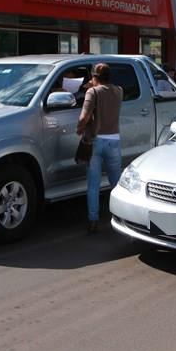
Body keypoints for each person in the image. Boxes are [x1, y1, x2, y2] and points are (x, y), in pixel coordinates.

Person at [77, 63, 123, 233]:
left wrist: (79, 129)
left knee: (93, 184)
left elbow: (84, 117)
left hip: (96, 141)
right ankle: (121, 217)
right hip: (114, 140)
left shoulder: (93, 92)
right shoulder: (119, 90)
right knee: (116, 183)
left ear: (94, 77)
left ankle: (93, 220)